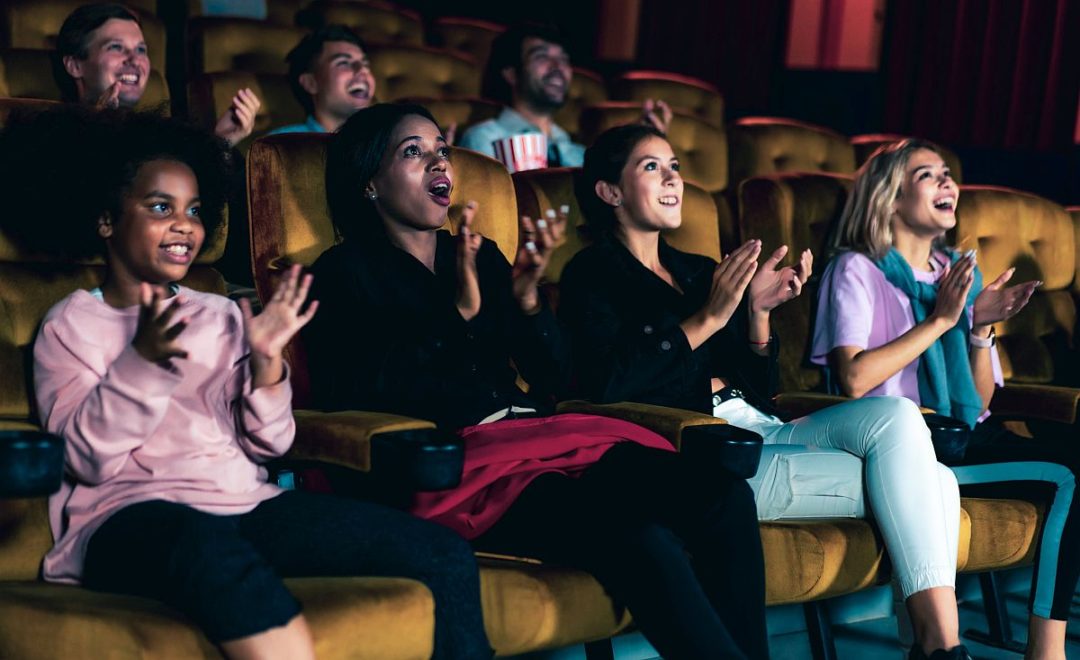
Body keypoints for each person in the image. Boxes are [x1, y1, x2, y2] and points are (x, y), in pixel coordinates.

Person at [1, 106, 490, 660]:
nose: (185, 224)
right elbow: (86, 461)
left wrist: (266, 364)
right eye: (161, 207)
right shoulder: (73, 323)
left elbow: (272, 445)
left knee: (442, 553)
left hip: (242, 506)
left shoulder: (220, 313)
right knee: (208, 550)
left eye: (195, 210)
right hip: (124, 519)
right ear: (107, 220)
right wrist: (139, 365)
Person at [303, 102, 770, 659]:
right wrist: (456, 316)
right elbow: (357, 391)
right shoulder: (341, 273)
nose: (439, 165)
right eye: (413, 152)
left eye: (440, 151)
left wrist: (527, 304)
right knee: (639, 537)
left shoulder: (479, 255)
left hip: (536, 439)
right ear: (370, 185)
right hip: (454, 467)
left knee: (722, 494)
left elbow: (559, 377)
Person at [560, 124, 969, 660]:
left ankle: (934, 648)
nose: (673, 179)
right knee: (932, 479)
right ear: (609, 192)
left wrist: (757, 314)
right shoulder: (590, 274)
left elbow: (758, 389)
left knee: (897, 415)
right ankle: (941, 648)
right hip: (705, 453)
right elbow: (608, 385)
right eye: (651, 167)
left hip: (762, 428)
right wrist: (709, 317)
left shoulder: (699, 272)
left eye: (676, 166)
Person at [813, 138, 1079, 660]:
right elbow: (854, 378)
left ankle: (1044, 644)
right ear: (889, 199)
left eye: (948, 174)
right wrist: (941, 319)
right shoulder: (856, 270)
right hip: (904, 450)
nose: (948, 183)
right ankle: (1046, 652)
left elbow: (980, 403)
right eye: (927, 175)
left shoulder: (958, 274)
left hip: (962, 436)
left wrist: (980, 329)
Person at [458, 22, 671, 168]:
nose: (558, 66)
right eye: (541, 56)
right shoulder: (484, 138)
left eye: (564, 59)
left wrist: (637, 142)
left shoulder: (577, 153)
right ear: (511, 73)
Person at [54, 3, 260, 147]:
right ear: (74, 66)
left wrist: (222, 140)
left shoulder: (163, 136)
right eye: (116, 47)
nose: (134, 60)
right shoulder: (49, 135)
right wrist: (100, 129)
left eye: (141, 50)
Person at [270, 24, 375, 135]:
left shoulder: (387, 139)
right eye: (344, 63)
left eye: (365, 64)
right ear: (311, 83)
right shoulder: (282, 144)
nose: (362, 69)